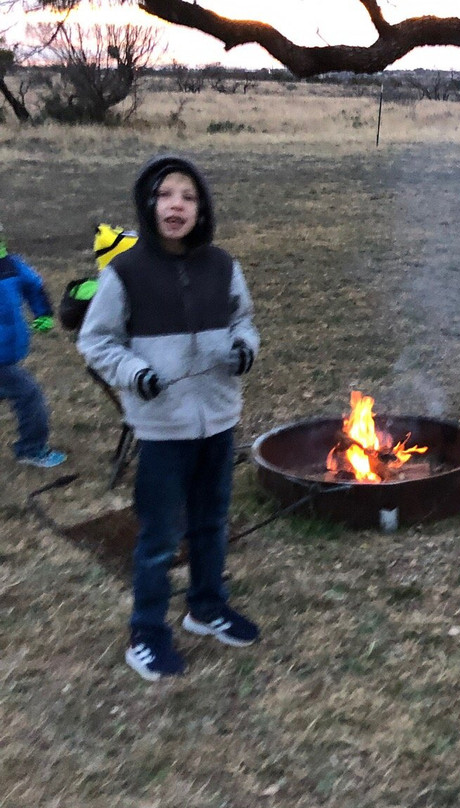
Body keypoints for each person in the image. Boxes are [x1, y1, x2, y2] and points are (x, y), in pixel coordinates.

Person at [78, 155, 260, 681]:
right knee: (159, 536)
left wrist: (244, 347)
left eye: (188, 196)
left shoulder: (223, 265)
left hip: (219, 419)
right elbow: (97, 341)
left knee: (210, 523)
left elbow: (243, 320)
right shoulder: (125, 272)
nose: (176, 204)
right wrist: (133, 372)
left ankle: (206, 606)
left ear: (201, 209)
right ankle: (147, 632)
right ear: (149, 205)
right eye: (165, 195)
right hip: (162, 429)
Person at [0, 226, 67, 468]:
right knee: (29, 395)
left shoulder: (11, 264)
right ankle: (31, 449)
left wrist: (43, 313)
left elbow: (34, 285)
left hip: (8, 351)